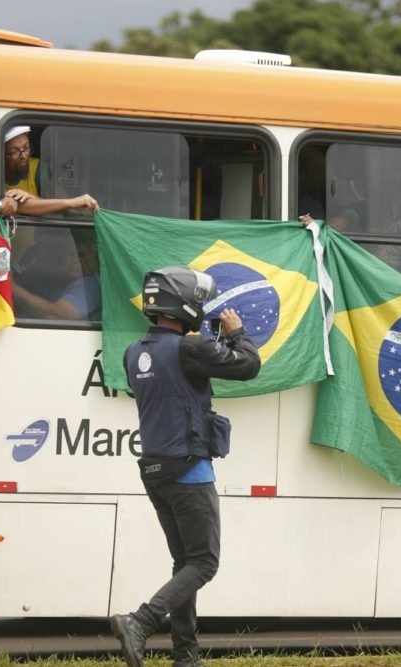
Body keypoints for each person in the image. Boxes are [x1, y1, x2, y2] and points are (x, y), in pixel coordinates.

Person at [110, 266, 260, 667]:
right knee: (204, 563)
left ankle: (186, 656)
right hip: (190, 471)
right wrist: (234, 333)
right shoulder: (190, 348)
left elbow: (173, 383)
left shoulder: (133, 353)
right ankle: (140, 622)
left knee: (185, 564)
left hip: (154, 472)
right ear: (187, 305)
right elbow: (248, 366)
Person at [0, 125, 98, 217]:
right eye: (14, 152)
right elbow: (15, 207)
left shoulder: (36, 168)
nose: (24, 156)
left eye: (26, 148)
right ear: (1, 154)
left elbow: (59, 205)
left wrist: (29, 198)